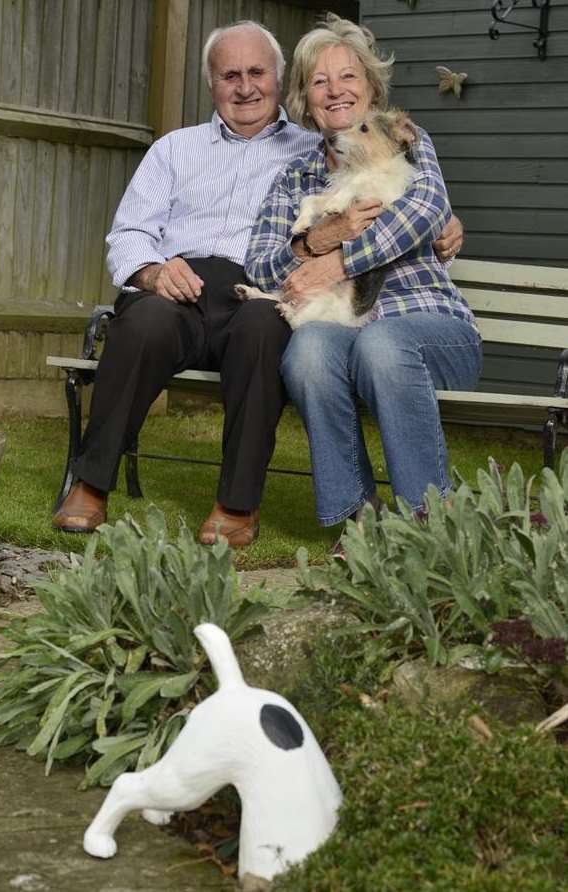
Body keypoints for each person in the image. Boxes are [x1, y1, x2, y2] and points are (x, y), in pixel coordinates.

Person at [53, 18, 463, 547]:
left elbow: (408, 193)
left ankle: (236, 504)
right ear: (211, 84)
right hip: (181, 283)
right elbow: (129, 232)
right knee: (143, 323)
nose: (244, 87)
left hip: (256, 291)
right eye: (230, 76)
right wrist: (153, 272)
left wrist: (438, 222)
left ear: (276, 80)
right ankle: (91, 483)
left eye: (256, 72)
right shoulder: (176, 150)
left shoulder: (309, 150)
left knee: (263, 331)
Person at [244, 14, 481, 550]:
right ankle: (359, 516)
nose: (335, 91)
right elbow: (261, 264)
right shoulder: (296, 177)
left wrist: (339, 260)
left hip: (430, 326)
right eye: (319, 81)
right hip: (344, 325)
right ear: (307, 98)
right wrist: (316, 240)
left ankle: (430, 523)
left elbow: (426, 209)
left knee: (382, 342)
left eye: (347, 77)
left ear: (371, 87)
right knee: (305, 351)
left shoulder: (407, 143)